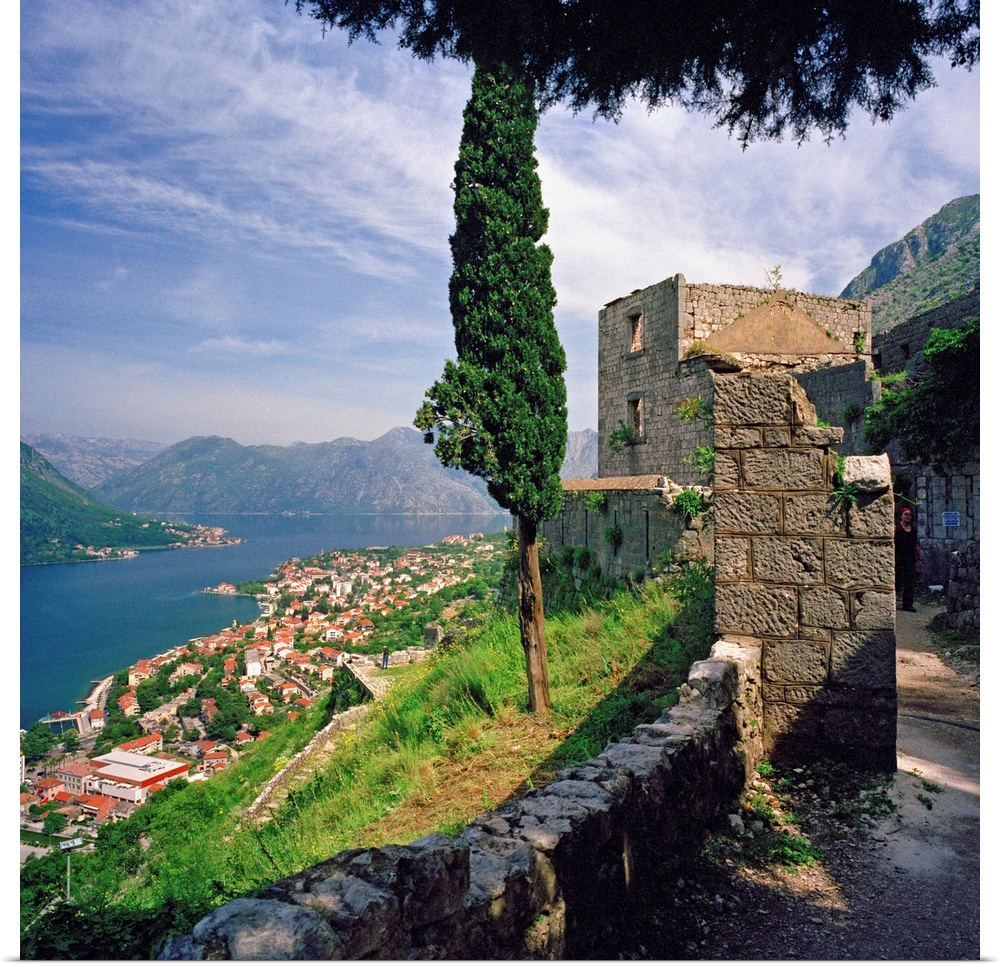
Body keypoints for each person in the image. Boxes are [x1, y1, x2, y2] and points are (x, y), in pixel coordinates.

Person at [894, 506, 922, 612]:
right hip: (898, 558)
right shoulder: (897, 528)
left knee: (910, 581)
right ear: (901, 516)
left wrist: (920, 558)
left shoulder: (913, 529)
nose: (908, 516)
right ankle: (893, 602)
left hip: (910, 558)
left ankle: (908, 604)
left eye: (910, 514)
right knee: (897, 581)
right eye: (906, 514)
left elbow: (916, 545)